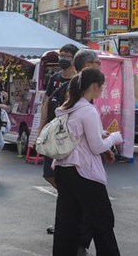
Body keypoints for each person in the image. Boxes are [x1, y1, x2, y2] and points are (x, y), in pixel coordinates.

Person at [52, 68, 123, 256]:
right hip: (84, 172)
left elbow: (80, 136)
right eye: (102, 87)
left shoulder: (67, 108)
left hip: (63, 168)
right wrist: (114, 137)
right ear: (94, 86)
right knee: (103, 220)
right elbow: (96, 147)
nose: (102, 91)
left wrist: (102, 137)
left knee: (67, 222)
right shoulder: (88, 110)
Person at [39, 44, 80, 192]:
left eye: (67, 56)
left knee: (67, 170)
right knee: (48, 173)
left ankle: (68, 195)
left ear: (74, 58)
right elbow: (46, 103)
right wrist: (41, 128)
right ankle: (65, 193)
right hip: (52, 131)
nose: (62, 59)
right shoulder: (54, 78)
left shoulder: (79, 80)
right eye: (61, 55)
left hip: (69, 133)